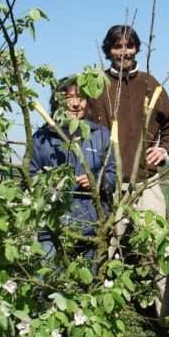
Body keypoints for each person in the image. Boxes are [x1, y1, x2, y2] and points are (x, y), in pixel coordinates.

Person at [86, 24, 169, 321]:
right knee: (107, 250)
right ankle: (104, 316)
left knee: (160, 248)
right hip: (107, 183)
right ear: (109, 50)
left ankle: (166, 314)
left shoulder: (149, 84)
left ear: (137, 49)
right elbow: (80, 127)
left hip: (145, 180)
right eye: (117, 47)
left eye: (129, 46)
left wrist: (164, 149)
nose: (123, 52)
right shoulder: (96, 84)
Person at [31, 76, 116, 265]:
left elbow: (112, 174)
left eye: (81, 97)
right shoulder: (41, 138)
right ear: (57, 101)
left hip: (91, 228)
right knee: (51, 285)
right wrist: (49, 184)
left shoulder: (100, 135)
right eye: (69, 98)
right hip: (50, 231)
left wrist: (98, 182)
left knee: (87, 287)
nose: (76, 104)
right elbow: (29, 178)